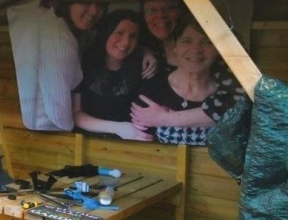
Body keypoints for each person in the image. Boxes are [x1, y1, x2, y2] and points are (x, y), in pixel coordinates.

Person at [7, 0, 104, 131]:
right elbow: (57, 106)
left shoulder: (40, 18)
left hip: (22, 121)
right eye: (86, 1)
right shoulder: (59, 36)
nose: (94, 11)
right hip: (46, 127)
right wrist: (69, 133)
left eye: (100, 4)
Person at [133, 14, 227, 145]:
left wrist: (164, 118)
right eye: (187, 41)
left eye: (207, 42)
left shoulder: (227, 92)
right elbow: (140, 148)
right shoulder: (152, 89)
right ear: (174, 46)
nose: (196, 50)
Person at [72, 9, 151, 140]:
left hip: (129, 147)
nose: (126, 42)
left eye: (133, 36)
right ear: (106, 33)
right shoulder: (85, 63)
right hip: (87, 143)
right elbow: (76, 115)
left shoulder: (144, 68)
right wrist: (118, 128)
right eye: (119, 33)